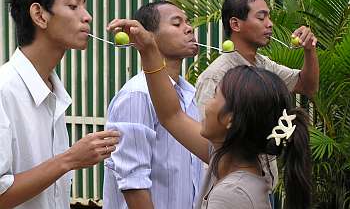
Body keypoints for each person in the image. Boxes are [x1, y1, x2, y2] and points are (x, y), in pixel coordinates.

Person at [104, 18, 312, 209]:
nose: (206, 104)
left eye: (215, 96)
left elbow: (172, 115)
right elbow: (171, 115)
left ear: (230, 118)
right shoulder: (228, 157)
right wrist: (149, 49)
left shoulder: (231, 195)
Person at [0, 0, 119, 209]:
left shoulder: (53, 91)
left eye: (83, 6)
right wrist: (70, 159)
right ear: (39, 15)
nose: (87, 16)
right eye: (73, 6)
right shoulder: (5, 90)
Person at [195, 0, 319, 194]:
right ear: (235, 24)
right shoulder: (216, 75)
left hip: (260, 186)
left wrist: (310, 49)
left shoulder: (264, 65)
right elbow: (207, 140)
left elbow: (307, 86)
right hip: (231, 188)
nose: (270, 24)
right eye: (261, 17)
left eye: (269, 17)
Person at [103, 1, 203, 209]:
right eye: (176, 24)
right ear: (148, 36)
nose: (189, 28)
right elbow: (132, 181)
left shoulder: (188, 94)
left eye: (188, 22)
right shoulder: (137, 95)